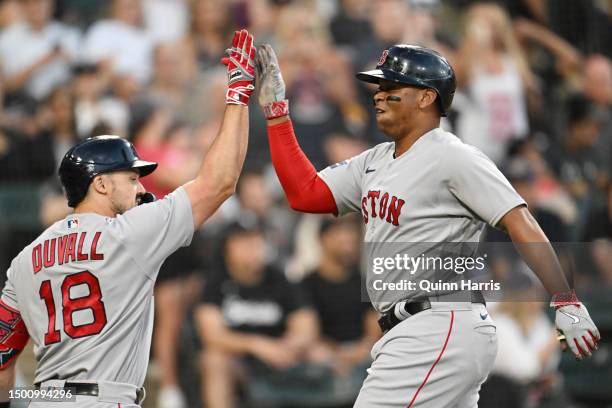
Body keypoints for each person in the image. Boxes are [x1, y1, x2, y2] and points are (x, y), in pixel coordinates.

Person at [256, 43, 601, 407]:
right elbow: (305, 194)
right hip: (422, 330)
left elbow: (520, 221)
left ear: (425, 97)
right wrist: (277, 114)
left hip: (437, 324)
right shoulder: (374, 161)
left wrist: (565, 299)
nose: (379, 95)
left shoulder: (452, 155)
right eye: (378, 87)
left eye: (391, 88)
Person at [0, 29, 256, 407]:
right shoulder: (130, 233)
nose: (141, 187)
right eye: (132, 178)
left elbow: (3, 368)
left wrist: (30, 398)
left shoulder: (25, 259)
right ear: (100, 184)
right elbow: (219, 183)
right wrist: (236, 95)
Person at [196, 222, 317, 408]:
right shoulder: (215, 282)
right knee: (213, 359)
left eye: (257, 240)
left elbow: (306, 324)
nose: (253, 248)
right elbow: (211, 335)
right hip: (238, 359)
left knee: (319, 354)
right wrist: (257, 345)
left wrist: (290, 345)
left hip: (279, 352)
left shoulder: (279, 278)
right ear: (227, 248)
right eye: (244, 242)